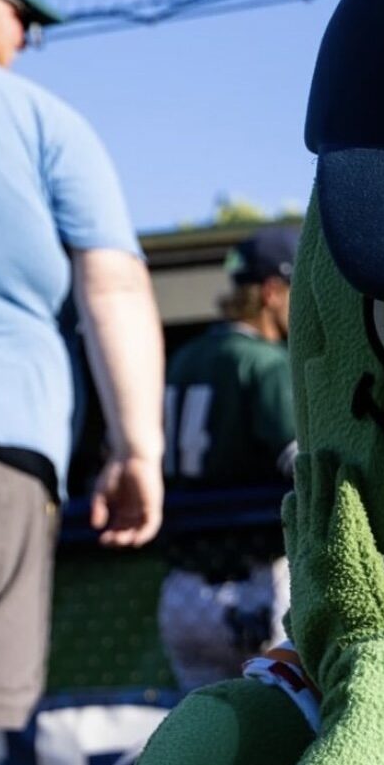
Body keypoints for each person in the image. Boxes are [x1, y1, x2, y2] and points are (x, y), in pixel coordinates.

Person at [0, 0, 165, 765]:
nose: (27, 39)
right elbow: (111, 290)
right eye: (18, 13)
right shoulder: (42, 122)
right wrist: (137, 449)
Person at [158, 226, 299, 692]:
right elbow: (300, 467)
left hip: (184, 591)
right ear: (272, 291)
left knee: (198, 741)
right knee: (282, 736)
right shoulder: (264, 362)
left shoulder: (186, 356)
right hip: (254, 584)